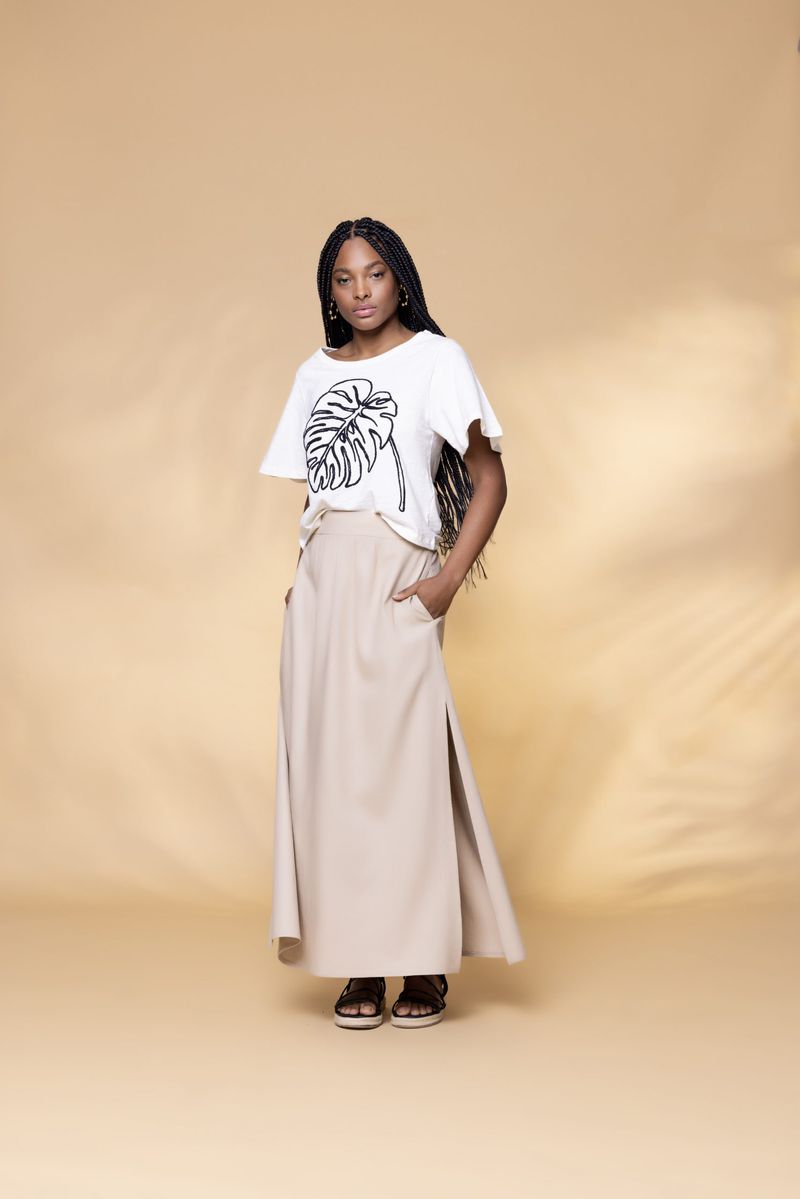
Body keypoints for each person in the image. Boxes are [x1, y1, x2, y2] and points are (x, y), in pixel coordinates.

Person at [259, 217, 525, 1029]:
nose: (361, 291)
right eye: (344, 279)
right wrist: (302, 581)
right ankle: (361, 963)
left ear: (399, 277)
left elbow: (489, 478)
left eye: (374, 273)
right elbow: (320, 490)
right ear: (329, 291)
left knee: (404, 770)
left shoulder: (437, 360)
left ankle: (423, 962)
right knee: (332, 773)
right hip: (322, 584)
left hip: (398, 578)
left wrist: (446, 580)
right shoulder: (314, 372)